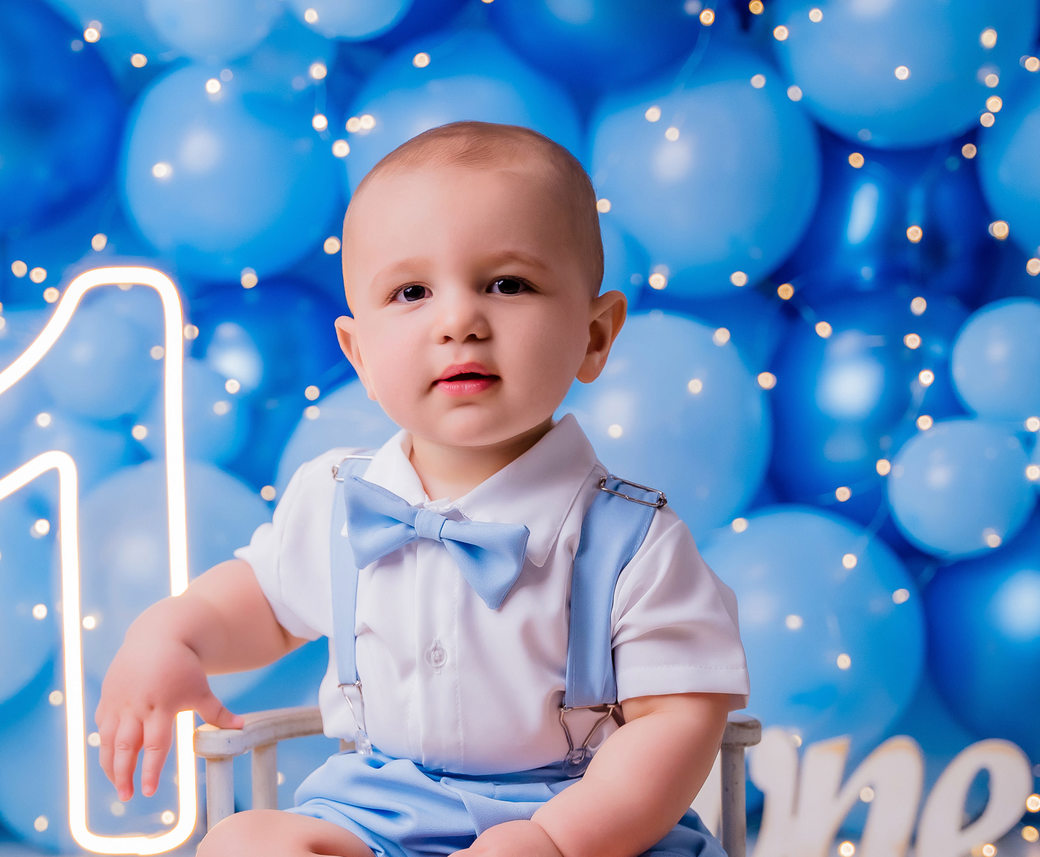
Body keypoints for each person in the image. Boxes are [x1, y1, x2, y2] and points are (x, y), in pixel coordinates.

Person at [96, 120, 749, 857]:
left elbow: (675, 721)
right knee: (243, 842)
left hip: (585, 814)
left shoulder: (634, 541)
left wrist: (556, 840)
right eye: (411, 291)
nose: (459, 320)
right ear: (361, 356)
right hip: (379, 812)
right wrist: (170, 635)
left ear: (594, 336)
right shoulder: (339, 499)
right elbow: (260, 605)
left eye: (507, 284)